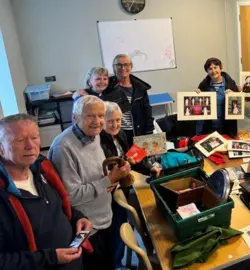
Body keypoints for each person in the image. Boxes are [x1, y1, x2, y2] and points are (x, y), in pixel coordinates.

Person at [49, 96, 132, 270]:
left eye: (101, 116)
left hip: (105, 219)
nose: (97, 122)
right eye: (90, 116)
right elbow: (70, 197)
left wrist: (111, 180)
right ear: (75, 118)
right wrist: (108, 180)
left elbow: (94, 178)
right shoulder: (63, 147)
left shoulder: (94, 137)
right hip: (88, 228)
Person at [0, 113, 92, 270]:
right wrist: (51, 258)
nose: (30, 146)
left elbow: (55, 207)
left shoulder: (42, 169)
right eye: (20, 140)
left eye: (34, 137)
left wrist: (78, 217)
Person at [99, 101, 160, 268]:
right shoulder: (99, 143)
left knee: (127, 221)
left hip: (124, 187)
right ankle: (116, 264)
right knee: (118, 228)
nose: (115, 124)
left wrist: (150, 169)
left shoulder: (122, 135)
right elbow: (112, 170)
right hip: (110, 194)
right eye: (110, 121)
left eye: (118, 120)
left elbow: (131, 160)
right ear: (102, 121)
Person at [104, 54, 154, 146]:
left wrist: (149, 131)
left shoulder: (140, 88)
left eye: (126, 64)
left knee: (138, 159)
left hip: (136, 132)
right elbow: (94, 92)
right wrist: (79, 93)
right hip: (116, 133)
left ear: (131, 67)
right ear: (113, 67)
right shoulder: (107, 86)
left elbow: (147, 112)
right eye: (119, 65)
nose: (123, 68)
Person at [195, 58, 239, 137]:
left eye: (215, 67)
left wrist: (234, 95)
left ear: (220, 68)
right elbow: (198, 108)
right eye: (210, 69)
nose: (213, 71)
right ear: (207, 71)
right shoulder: (203, 86)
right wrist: (197, 96)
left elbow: (238, 105)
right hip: (209, 127)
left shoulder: (230, 84)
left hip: (227, 127)